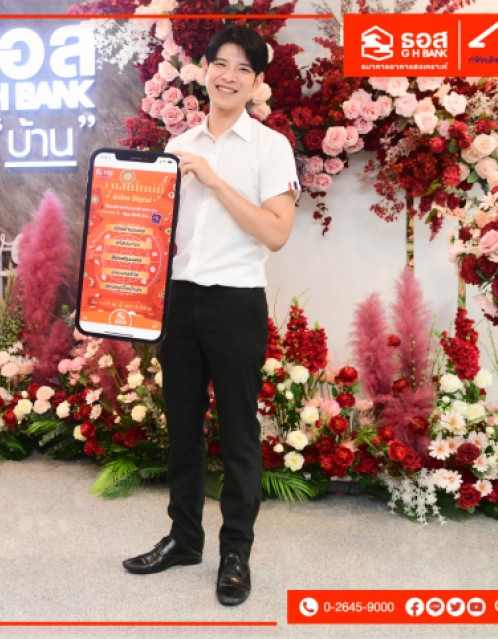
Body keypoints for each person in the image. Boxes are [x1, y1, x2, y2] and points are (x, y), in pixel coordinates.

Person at [121, 24, 299, 607]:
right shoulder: (179, 144)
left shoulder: (270, 147)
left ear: (256, 81)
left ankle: (236, 555)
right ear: (203, 69)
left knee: (239, 433)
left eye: (243, 68)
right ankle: (184, 538)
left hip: (235, 301)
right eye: (221, 63)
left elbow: (276, 232)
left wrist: (215, 180)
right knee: (182, 426)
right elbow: (154, 229)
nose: (229, 76)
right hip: (180, 298)